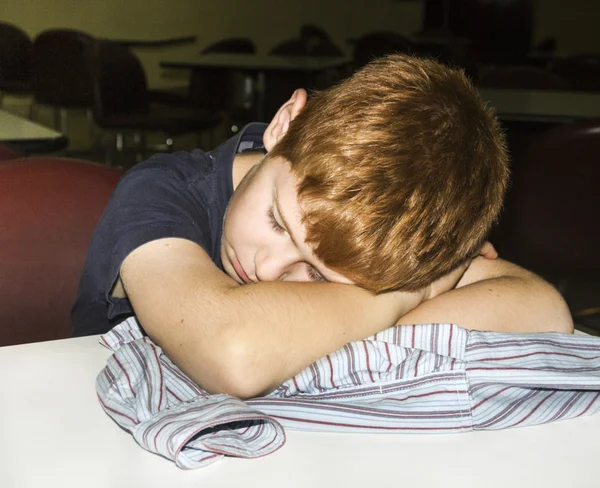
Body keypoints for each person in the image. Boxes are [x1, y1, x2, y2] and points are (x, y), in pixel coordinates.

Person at [72, 55, 573, 400]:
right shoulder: (160, 191)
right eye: (276, 220)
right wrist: (404, 295)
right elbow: (233, 352)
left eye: (316, 275)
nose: (268, 267)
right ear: (285, 124)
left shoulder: (377, 237)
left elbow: (546, 310)